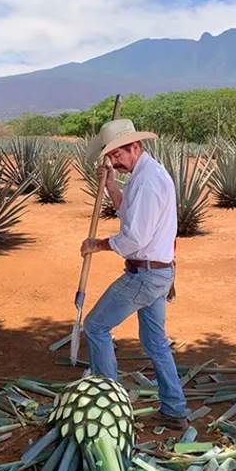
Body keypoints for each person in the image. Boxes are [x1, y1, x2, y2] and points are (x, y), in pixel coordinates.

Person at [80, 118, 189, 431]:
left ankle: (108, 407)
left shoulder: (148, 181)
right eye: (111, 156)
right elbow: (128, 212)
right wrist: (112, 186)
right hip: (157, 273)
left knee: (96, 326)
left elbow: (134, 239)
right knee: (155, 343)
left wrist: (98, 244)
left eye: (118, 154)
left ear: (135, 147)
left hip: (145, 275)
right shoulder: (144, 175)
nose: (115, 161)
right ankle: (174, 410)